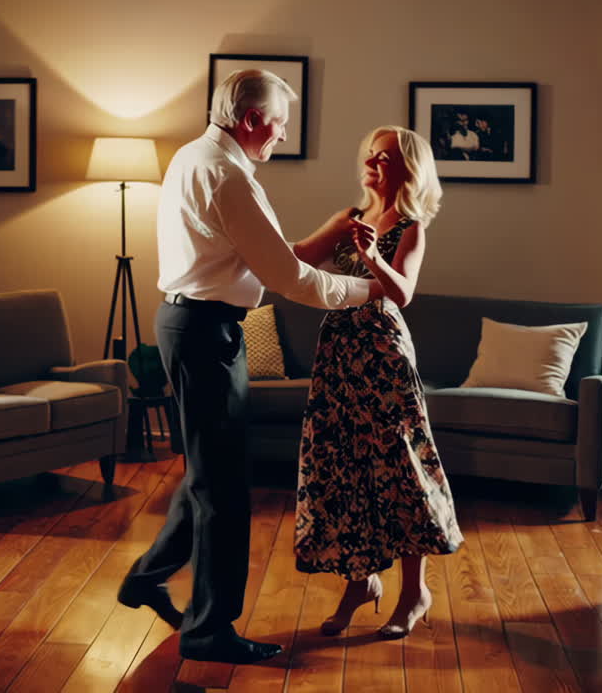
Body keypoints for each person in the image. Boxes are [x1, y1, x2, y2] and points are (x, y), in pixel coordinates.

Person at [116, 69, 383, 665]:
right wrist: (371, 291)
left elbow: (264, 263)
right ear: (253, 119)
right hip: (205, 333)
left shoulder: (195, 157)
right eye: (280, 124)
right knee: (225, 490)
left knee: (208, 474)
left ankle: (146, 578)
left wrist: (329, 237)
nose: (283, 135)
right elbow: (291, 280)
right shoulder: (227, 175)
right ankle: (209, 632)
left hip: (195, 325)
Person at [291, 125, 464, 639]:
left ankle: (414, 592)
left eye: (385, 157)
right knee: (343, 465)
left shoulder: (411, 225)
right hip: (338, 351)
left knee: (400, 466)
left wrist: (372, 257)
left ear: (408, 167)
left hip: (383, 350)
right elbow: (297, 258)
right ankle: (360, 582)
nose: (373, 162)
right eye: (370, 154)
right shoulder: (347, 218)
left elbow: (402, 293)